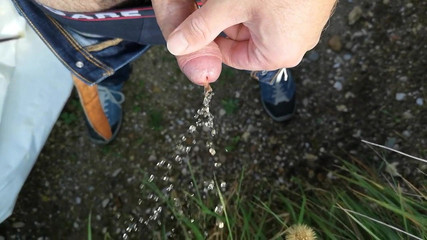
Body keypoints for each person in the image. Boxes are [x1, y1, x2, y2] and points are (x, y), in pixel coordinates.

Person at [12, 0, 337, 144]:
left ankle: (269, 71)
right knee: (103, 57)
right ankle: (106, 80)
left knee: (257, 39)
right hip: (88, 18)